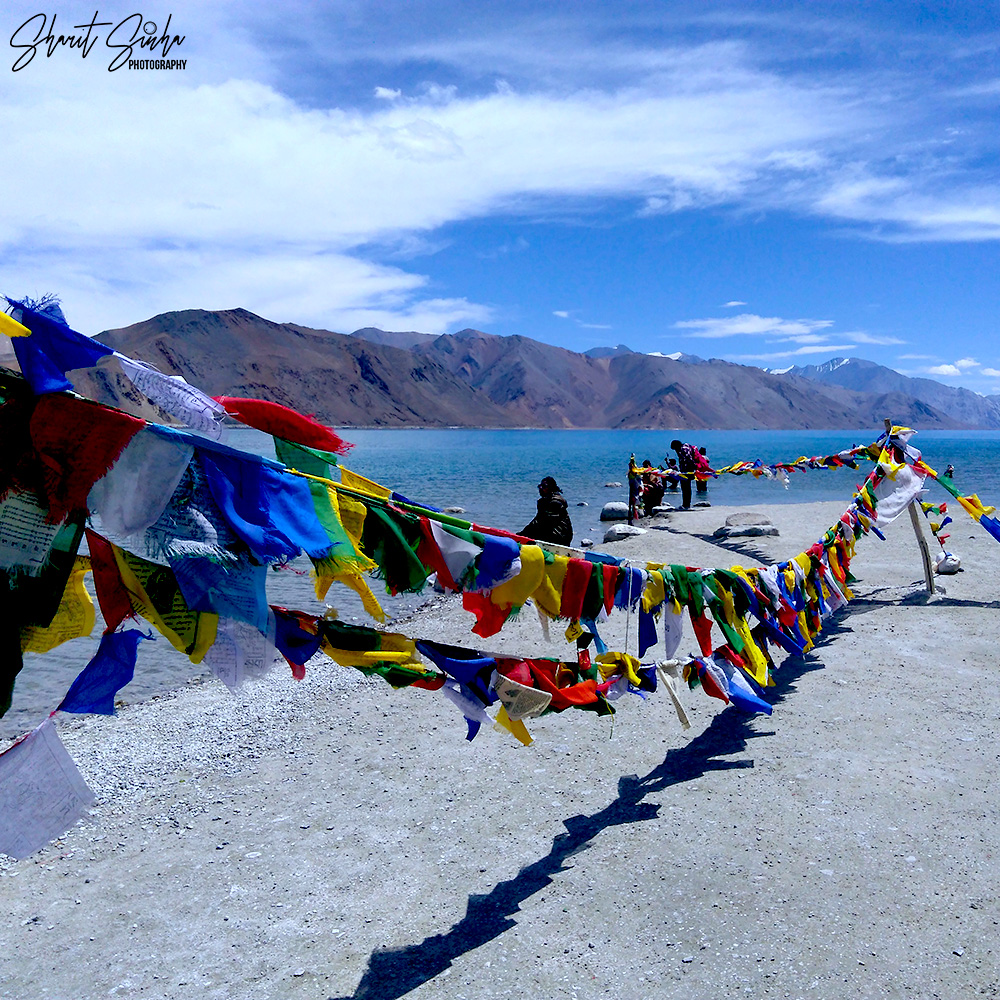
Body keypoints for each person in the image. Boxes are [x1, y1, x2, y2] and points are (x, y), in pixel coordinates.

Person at [520, 475, 573, 545]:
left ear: (551, 488)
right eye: (540, 486)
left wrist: (523, 535)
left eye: (544, 486)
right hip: (553, 533)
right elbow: (537, 520)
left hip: (560, 537)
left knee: (533, 535)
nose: (541, 488)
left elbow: (545, 522)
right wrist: (522, 534)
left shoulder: (555, 502)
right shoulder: (544, 501)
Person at [670, 439, 701, 509]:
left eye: (675, 449)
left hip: (687, 471)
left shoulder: (684, 450)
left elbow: (689, 459)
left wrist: (693, 468)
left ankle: (686, 505)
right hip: (686, 471)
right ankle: (686, 504)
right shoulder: (686, 447)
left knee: (685, 487)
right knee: (686, 487)